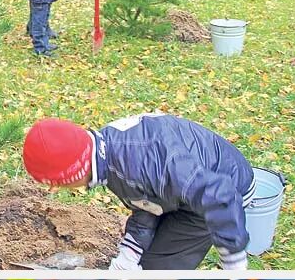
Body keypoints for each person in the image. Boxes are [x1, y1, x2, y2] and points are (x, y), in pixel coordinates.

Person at [20, 112, 258, 271]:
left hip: (224, 189)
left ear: (71, 173)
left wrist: (234, 262)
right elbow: (146, 200)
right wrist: (129, 254)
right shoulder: (109, 155)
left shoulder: (146, 164)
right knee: (143, 261)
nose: (57, 189)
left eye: (55, 183)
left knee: (159, 268)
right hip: (189, 190)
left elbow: (219, 196)